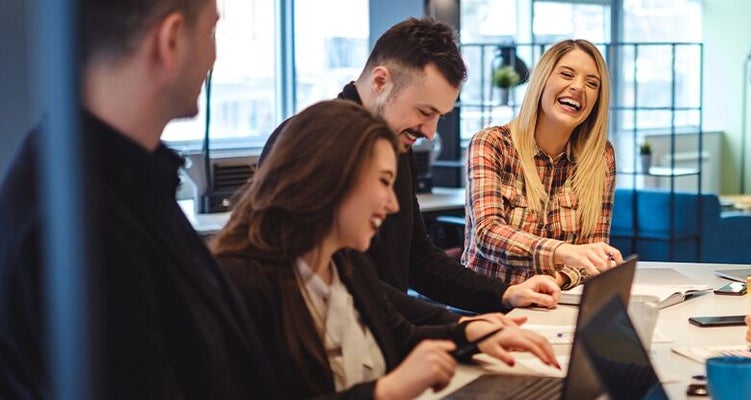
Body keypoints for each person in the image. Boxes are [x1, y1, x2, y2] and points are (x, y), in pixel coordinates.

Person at [0, 0, 273, 397]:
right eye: (211, 32)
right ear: (171, 39)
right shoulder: (76, 222)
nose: (214, 56)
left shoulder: (129, 180)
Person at [214, 100, 559, 399]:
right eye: (382, 182)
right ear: (330, 177)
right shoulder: (241, 284)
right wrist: (385, 393)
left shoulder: (345, 265)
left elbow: (402, 337)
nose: (393, 204)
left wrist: (469, 333)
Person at [259, 18, 560, 324]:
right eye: (424, 112)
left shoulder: (395, 144)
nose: (430, 132)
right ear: (380, 82)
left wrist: (504, 294)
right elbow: (343, 284)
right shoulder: (309, 143)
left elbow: (418, 259)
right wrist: (458, 327)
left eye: (439, 116)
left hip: (388, 339)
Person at [462, 39, 621, 289]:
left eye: (592, 83)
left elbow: (593, 254)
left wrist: (555, 279)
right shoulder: (492, 143)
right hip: (489, 308)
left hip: (556, 303)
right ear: (542, 81)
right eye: (566, 74)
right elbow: (487, 234)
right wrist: (563, 252)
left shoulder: (601, 157)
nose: (578, 87)